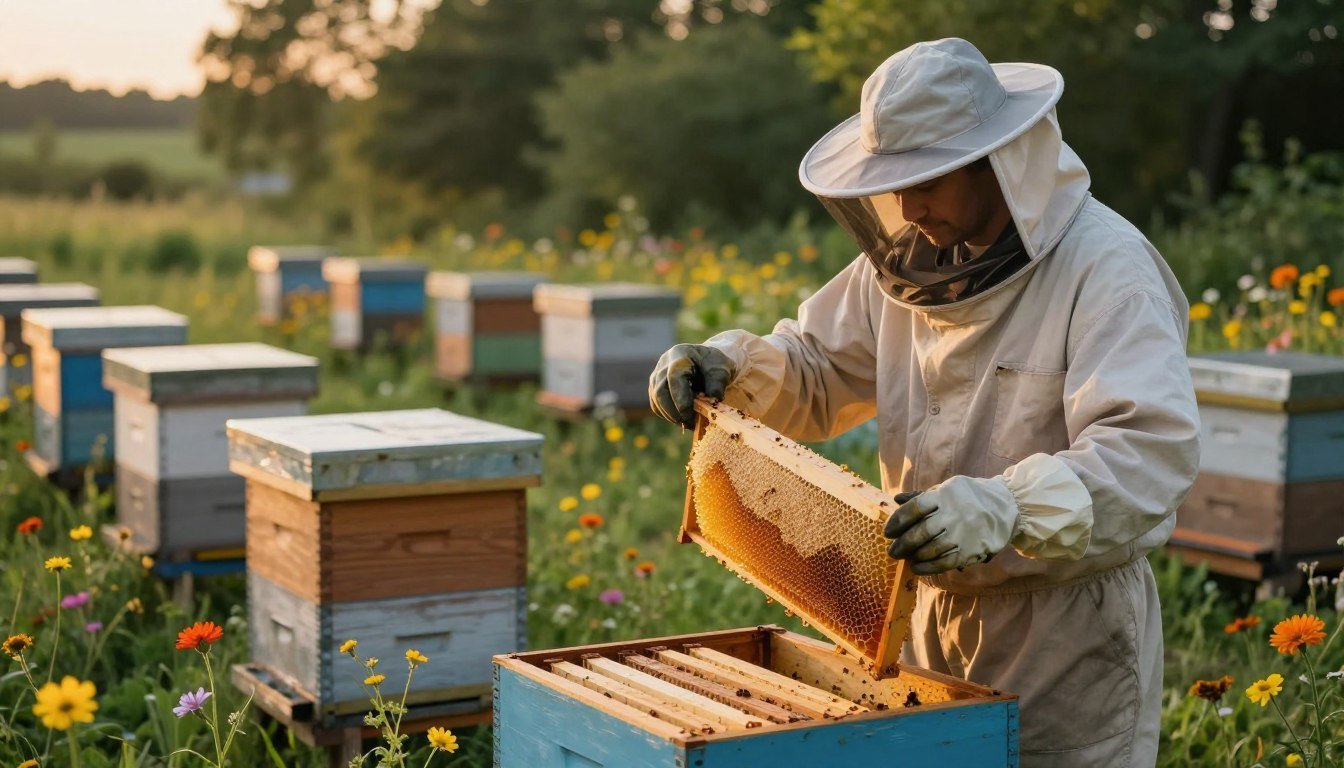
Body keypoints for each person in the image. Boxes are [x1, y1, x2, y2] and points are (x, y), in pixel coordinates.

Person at [648, 37, 1200, 767]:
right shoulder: (906, 263)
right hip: (918, 608)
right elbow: (817, 369)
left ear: (998, 160)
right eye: (895, 183)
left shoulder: (1106, 270)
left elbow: (1148, 454)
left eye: (930, 181)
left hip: (1062, 630)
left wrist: (1007, 506)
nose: (908, 207)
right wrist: (731, 365)